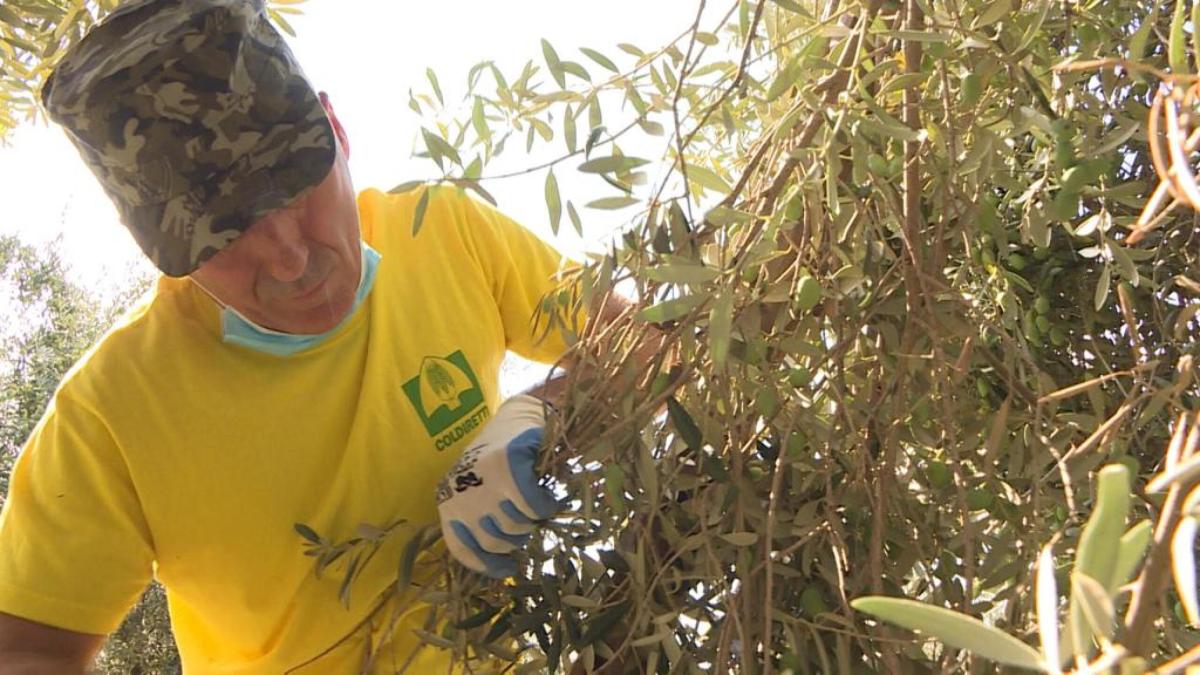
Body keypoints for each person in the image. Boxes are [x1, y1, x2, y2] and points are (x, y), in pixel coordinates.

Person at [0, 0, 593, 671]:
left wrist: (545, 411)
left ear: (336, 128)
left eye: (294, 186)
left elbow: (658, 340)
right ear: (157, 249)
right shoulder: (108, 414)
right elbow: (24, 650)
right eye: (222, 233)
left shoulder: (448, 234)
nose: (287, 256)